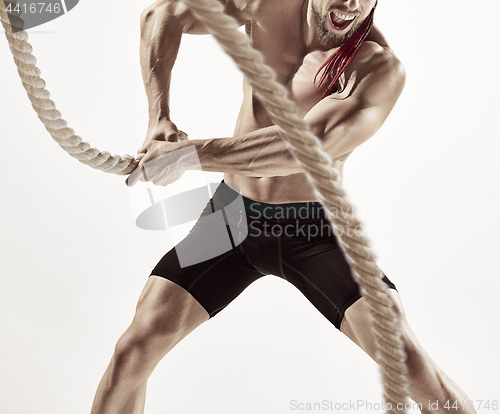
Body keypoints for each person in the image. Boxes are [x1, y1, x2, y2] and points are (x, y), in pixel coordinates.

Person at [90, 0, 476, 412]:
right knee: (131, 354)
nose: (350, 4)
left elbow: (307, 147)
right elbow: (162, 14)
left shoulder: (377, 69)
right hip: (230, 219)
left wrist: (188, 156)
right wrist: (159, 118)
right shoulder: (265, 7)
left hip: (313, 232)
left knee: (414, 371)